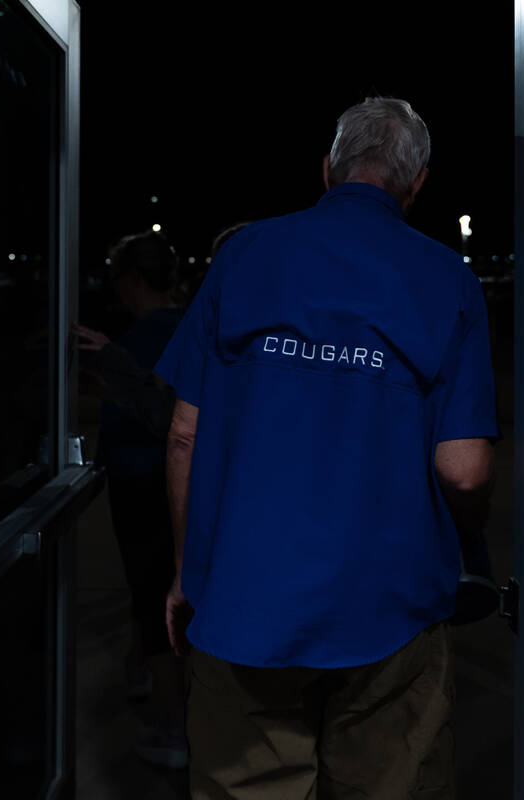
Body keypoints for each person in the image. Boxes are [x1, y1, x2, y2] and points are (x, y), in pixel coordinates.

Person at [153, 96, 498, 798]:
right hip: (390, 607)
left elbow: (185, 432)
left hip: (245, 599)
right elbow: (464, 471)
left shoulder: (244, 254)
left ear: (326, 170)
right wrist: (469, 547)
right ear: (418, 182)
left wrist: (190, 571)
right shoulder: (448, 281)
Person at [73, 230, 189, 769]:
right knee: (155, 597)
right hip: (164, 489)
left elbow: (162, 415)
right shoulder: (185, 329)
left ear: (133, 280)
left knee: (152, 598)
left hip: (144, 489)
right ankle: (147, 680)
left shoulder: (145, 337)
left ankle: (171, 727)